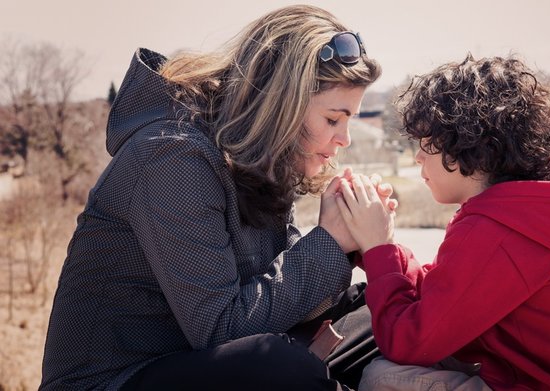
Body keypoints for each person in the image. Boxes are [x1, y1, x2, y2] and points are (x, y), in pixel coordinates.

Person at [39, 5, 387, 390]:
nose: (345, 139)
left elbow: (279, 292)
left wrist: (354, 242)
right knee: (280, 365)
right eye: (333, 119)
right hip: (115, 380)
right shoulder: (171, 156)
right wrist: (330, 243)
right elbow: (223, 331)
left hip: (193, 363)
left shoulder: (257, 163)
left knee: (380, 313)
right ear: (281, 107)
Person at [335, 55, 550, 390]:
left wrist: (378, 247)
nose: (418, 156)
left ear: (470, 147)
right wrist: (379, 247)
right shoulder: (531, 215)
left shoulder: (498, 231)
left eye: (427, 143)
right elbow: (447, 297)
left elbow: (408, 341)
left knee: (384, 379)